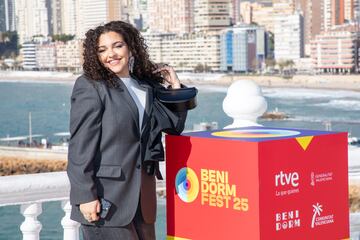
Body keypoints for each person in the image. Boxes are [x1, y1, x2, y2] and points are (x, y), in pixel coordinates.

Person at [67, 21, 188, 240]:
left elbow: (173, 126)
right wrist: (85, 195)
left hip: (143, 198)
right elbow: (80, 146)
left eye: (117, 46)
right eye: (102, 50)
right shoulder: (91, 85)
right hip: (106, 199)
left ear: (130, 47)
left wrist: (175, 87)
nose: (111, 54)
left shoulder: (146, 85)